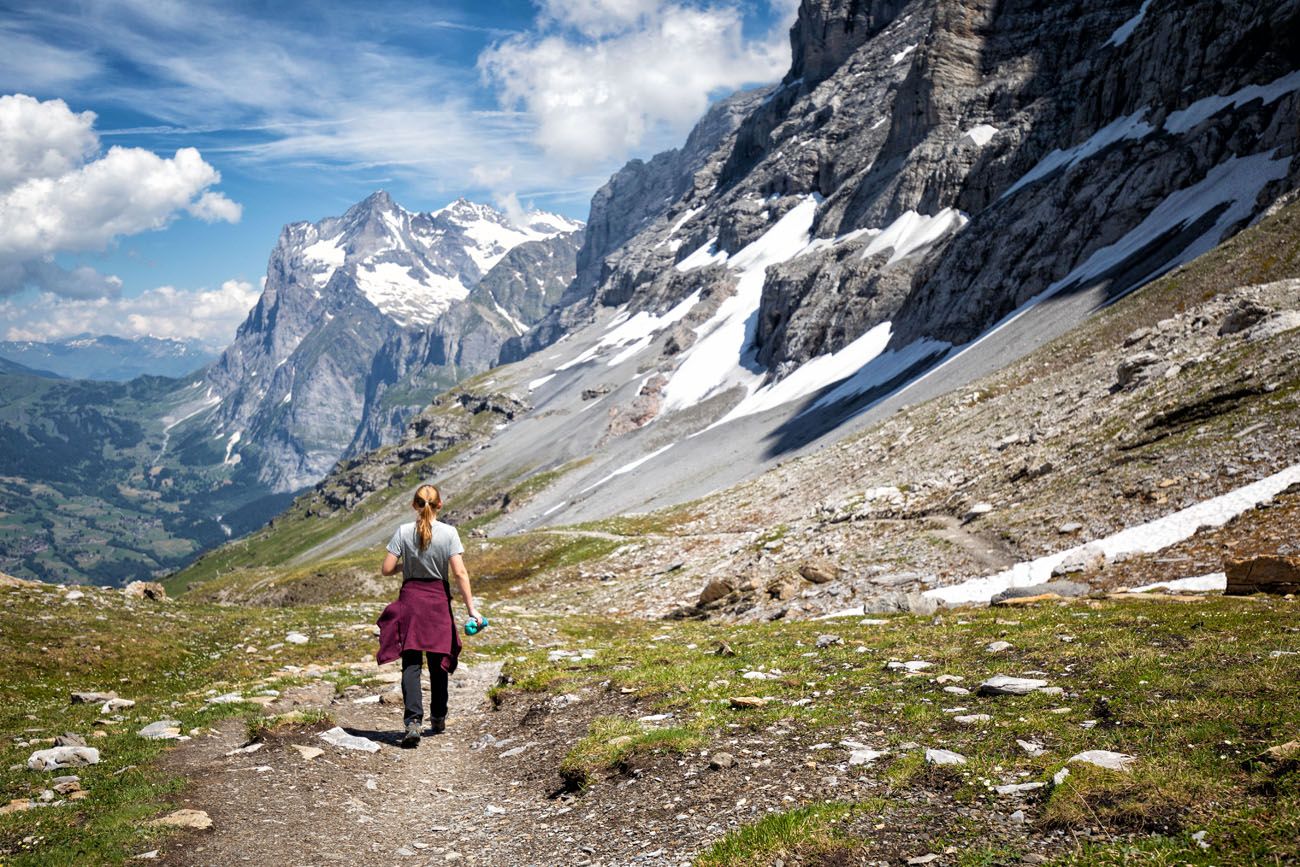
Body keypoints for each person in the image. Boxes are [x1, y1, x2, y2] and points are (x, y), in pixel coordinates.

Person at [376, 483, 482, 748]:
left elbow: (386, 569)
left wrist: (406, 565)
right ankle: (437, 716)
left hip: (411, 600)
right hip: (436, 601)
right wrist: (472, 610)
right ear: (440, 505)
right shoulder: (449, 533)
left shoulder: (402, 532)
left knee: (411, 663)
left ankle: (413, 721)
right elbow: (459, 573)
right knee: (438, 662)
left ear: (414, 505)